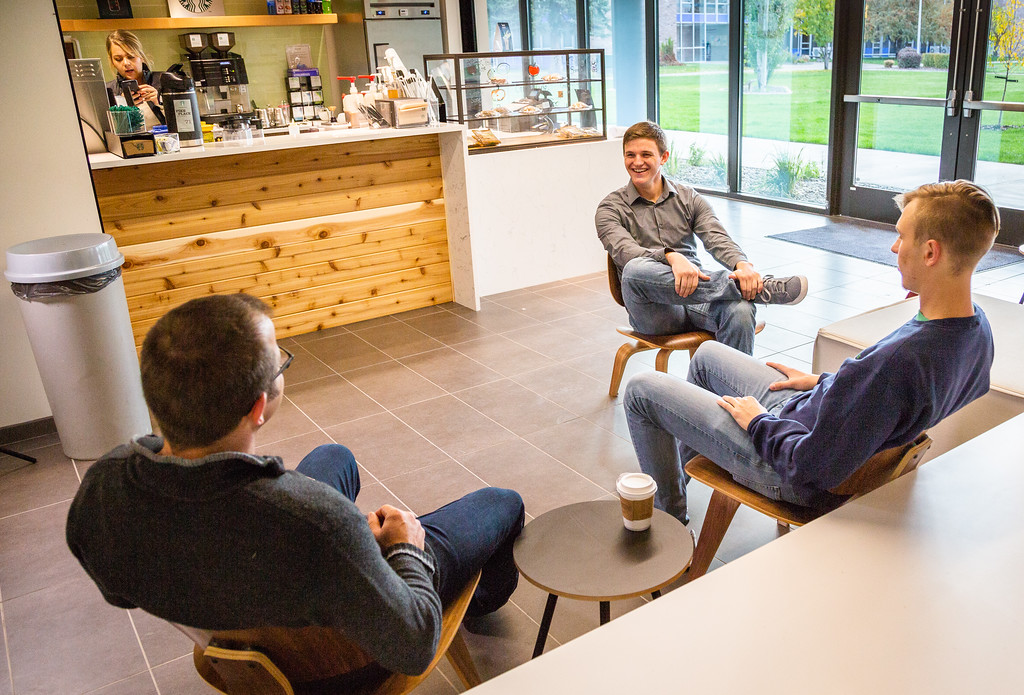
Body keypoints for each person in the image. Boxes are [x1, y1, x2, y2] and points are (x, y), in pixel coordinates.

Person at [66, 294, 524, 676]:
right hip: (335, 666)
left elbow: (118, 592)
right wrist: (405, 548)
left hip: (243, 619)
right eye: (278, 361)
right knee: (502, 504)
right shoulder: (320, 524)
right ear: (257, 406)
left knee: (333, 458)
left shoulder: (102, 490)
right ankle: (477, 600)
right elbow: (413, 646)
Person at [623, 180, 998, 524]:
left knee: (641, 390)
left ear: (931, 252)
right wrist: (824, 382)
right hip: (810, 421)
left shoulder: (902, 361)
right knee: (706, 358)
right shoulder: (975, 329)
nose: (894, 246)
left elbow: (810, 467)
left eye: (901, 236)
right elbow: (887, 401)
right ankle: (696, 474)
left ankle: (671, 517)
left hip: (786, 465)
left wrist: (757, 422)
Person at [596, 121, 808, 355]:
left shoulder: (688, 198)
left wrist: (743, 265)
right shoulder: (610, 208)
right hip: (654, 312)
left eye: (646, 154)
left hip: (698, 297)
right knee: (634, 270)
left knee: (741, 310)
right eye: (630, 155)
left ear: (664, 157)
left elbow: (717, 237)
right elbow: (626, 253)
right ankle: (752, 288)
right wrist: (671, 257)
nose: (637, 162)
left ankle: (731, 390)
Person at [105, 30, 164, 129]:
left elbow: (185, 123)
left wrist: (160, 103)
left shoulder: (164, 82)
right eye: (118, 59)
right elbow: (107, 131)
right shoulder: (108, 91)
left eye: (131, 56)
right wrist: (122, 105)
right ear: (112, 61)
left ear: (141, 57)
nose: (126, 63)